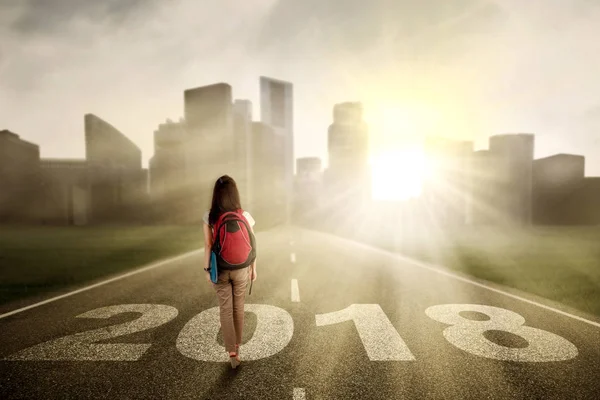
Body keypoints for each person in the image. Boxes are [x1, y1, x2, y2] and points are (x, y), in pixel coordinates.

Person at [203, 175, 257, 369]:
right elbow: (251, 243)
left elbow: (208, 244)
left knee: (225, 309)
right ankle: (238, 348)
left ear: (216, 194)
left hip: (221, 268)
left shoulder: (210, 216)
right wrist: (253, 268)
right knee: (238, 308)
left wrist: (207, 269)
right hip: (242, 267)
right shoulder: (245, 215)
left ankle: (231, 352)